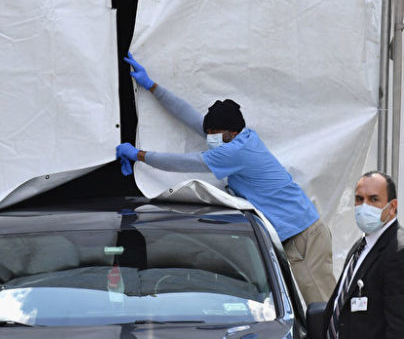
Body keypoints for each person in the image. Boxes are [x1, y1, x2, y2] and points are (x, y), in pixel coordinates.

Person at [116, 52, 336, 304]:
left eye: (214, 132)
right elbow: (190, 116)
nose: (209, 137)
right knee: (307, 310)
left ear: (231, 132)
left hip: (302, 238)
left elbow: (184, 163)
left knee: (322, 311)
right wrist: (153, 87)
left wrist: (140, 155)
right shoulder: (239, 138)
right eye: (208, 132)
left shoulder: (235, 152)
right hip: (298, 233)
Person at [324, 171, 404, 339]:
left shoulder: (397, 251)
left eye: (373, 199)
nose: (364, 206)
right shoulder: (362, 245)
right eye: (359, 199)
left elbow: (398, 326)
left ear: (393, 207)